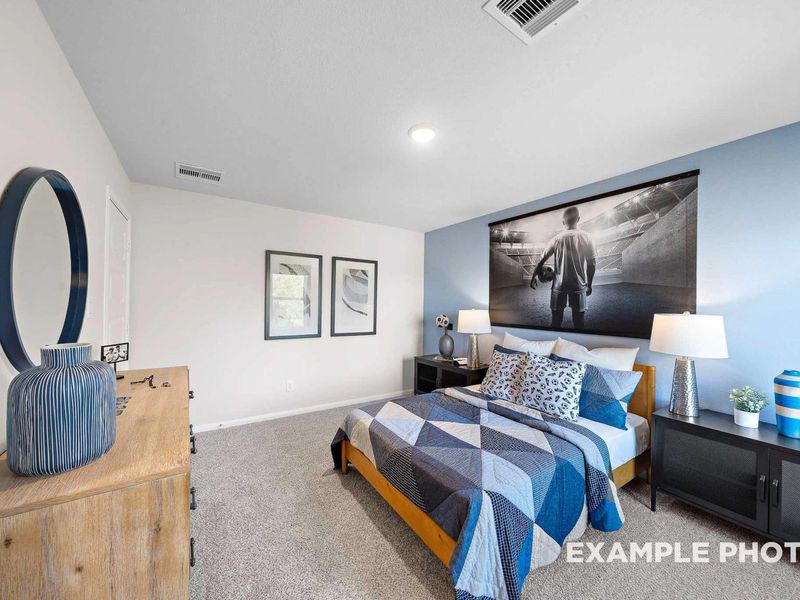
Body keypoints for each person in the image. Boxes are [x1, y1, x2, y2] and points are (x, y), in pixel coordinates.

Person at [530, 206, 596, 329]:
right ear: (578, 219)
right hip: (578, 285)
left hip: (558, 286)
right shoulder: (587, 237)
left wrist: (533, 276)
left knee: (555, 321)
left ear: (563, 222)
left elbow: (540, 261)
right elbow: (592, 264)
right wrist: (589, 284)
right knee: (579, 322)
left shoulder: (556, 239)